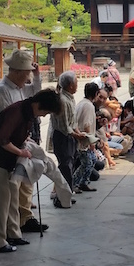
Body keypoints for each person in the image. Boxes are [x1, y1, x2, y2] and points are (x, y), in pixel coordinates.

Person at [0, 89, 62, 253]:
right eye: (45, 111)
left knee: (11, 197)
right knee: (1, 200)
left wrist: (26, 141)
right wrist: (21, 152)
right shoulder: (17, 111)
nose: (44, 116)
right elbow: (2, 140)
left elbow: (17, 135)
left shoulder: (28, 111)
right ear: (38, 104)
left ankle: (13, 234)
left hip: (7, 160)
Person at [0, 49, 46, 234]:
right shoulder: (2, 90)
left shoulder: (20, 88)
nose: (29, 77)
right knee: (14, 185)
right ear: (16, 72)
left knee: (27, 180)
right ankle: (14, 224)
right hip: (9, 143)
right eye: (27, 73)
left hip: (22, 139)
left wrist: (37, 76)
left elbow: (37, 96)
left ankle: (26, 218)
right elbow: (6, 120)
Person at [51, 71, 84, 200]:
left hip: (70, 136)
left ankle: (67, 193)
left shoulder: (69, 97)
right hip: (63, 137)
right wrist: (76, 135)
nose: (77, 84)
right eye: (76, 82)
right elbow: (65, 126)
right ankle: (63, 196)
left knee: (71, 164)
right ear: (70, 85)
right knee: (65, 166)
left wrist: (78, 132)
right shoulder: (63, 101)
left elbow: (72, 121)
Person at [73, 81, 100, 191]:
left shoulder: (82, 103)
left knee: (91, 160)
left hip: (82, 137)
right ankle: (74, 183)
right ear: (96, 94)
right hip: (84, 139)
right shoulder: (89, 106)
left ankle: (83, 182)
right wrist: (91, 142)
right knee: (87, 163)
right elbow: (87, 124)